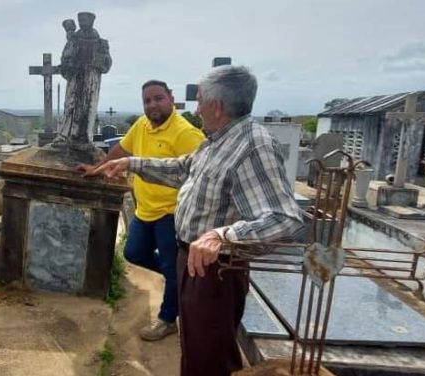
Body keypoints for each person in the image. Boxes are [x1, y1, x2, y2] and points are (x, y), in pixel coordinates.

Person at [85, 66, 303, 376]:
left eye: (200, 101)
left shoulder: (253, 145)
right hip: (193, 260)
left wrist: (222, 236)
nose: (196, 108)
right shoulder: (216, 141)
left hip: (217, 269)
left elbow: (286, 218)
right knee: (196, 347)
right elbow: (182, 169)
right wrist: (130, 163)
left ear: (216, 106)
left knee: (210, 356)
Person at [81, 80, 205, 341]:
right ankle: (179, 277)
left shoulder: (186, 133)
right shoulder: (141, 126)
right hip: (145, 209)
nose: (152, 105)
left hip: (172, 213)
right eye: (147, 101)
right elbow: (121, 150)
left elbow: (201, 175)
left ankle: (167, 319)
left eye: (158, 98)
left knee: (171, 269)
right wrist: (97, 168)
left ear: (171, 98)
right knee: (134, 253)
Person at [55, 12, 112, 152]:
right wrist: (67, 64)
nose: (81, 22)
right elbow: (65, 56)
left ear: (92, 20)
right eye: (80, 20)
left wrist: (102, 58)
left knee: (88, 106)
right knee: (70, 104)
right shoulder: (73, 39)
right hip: (76, 76)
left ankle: (84, 137)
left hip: (91, 77)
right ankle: (64, 135)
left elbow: (107, 64)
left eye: (84, 20)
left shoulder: (100, 42)